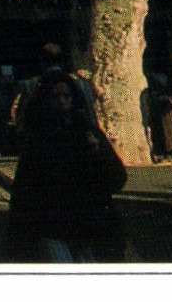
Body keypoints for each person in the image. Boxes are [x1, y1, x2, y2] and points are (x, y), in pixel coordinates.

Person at [7, 71, 127, 263]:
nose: (62, 101)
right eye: (55, 96)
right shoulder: (38, 138)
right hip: (52, 229)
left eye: (66, 96)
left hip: (89, 227)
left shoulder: (88, 131)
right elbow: (24, 190)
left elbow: (118, 178)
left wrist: (97, 152)